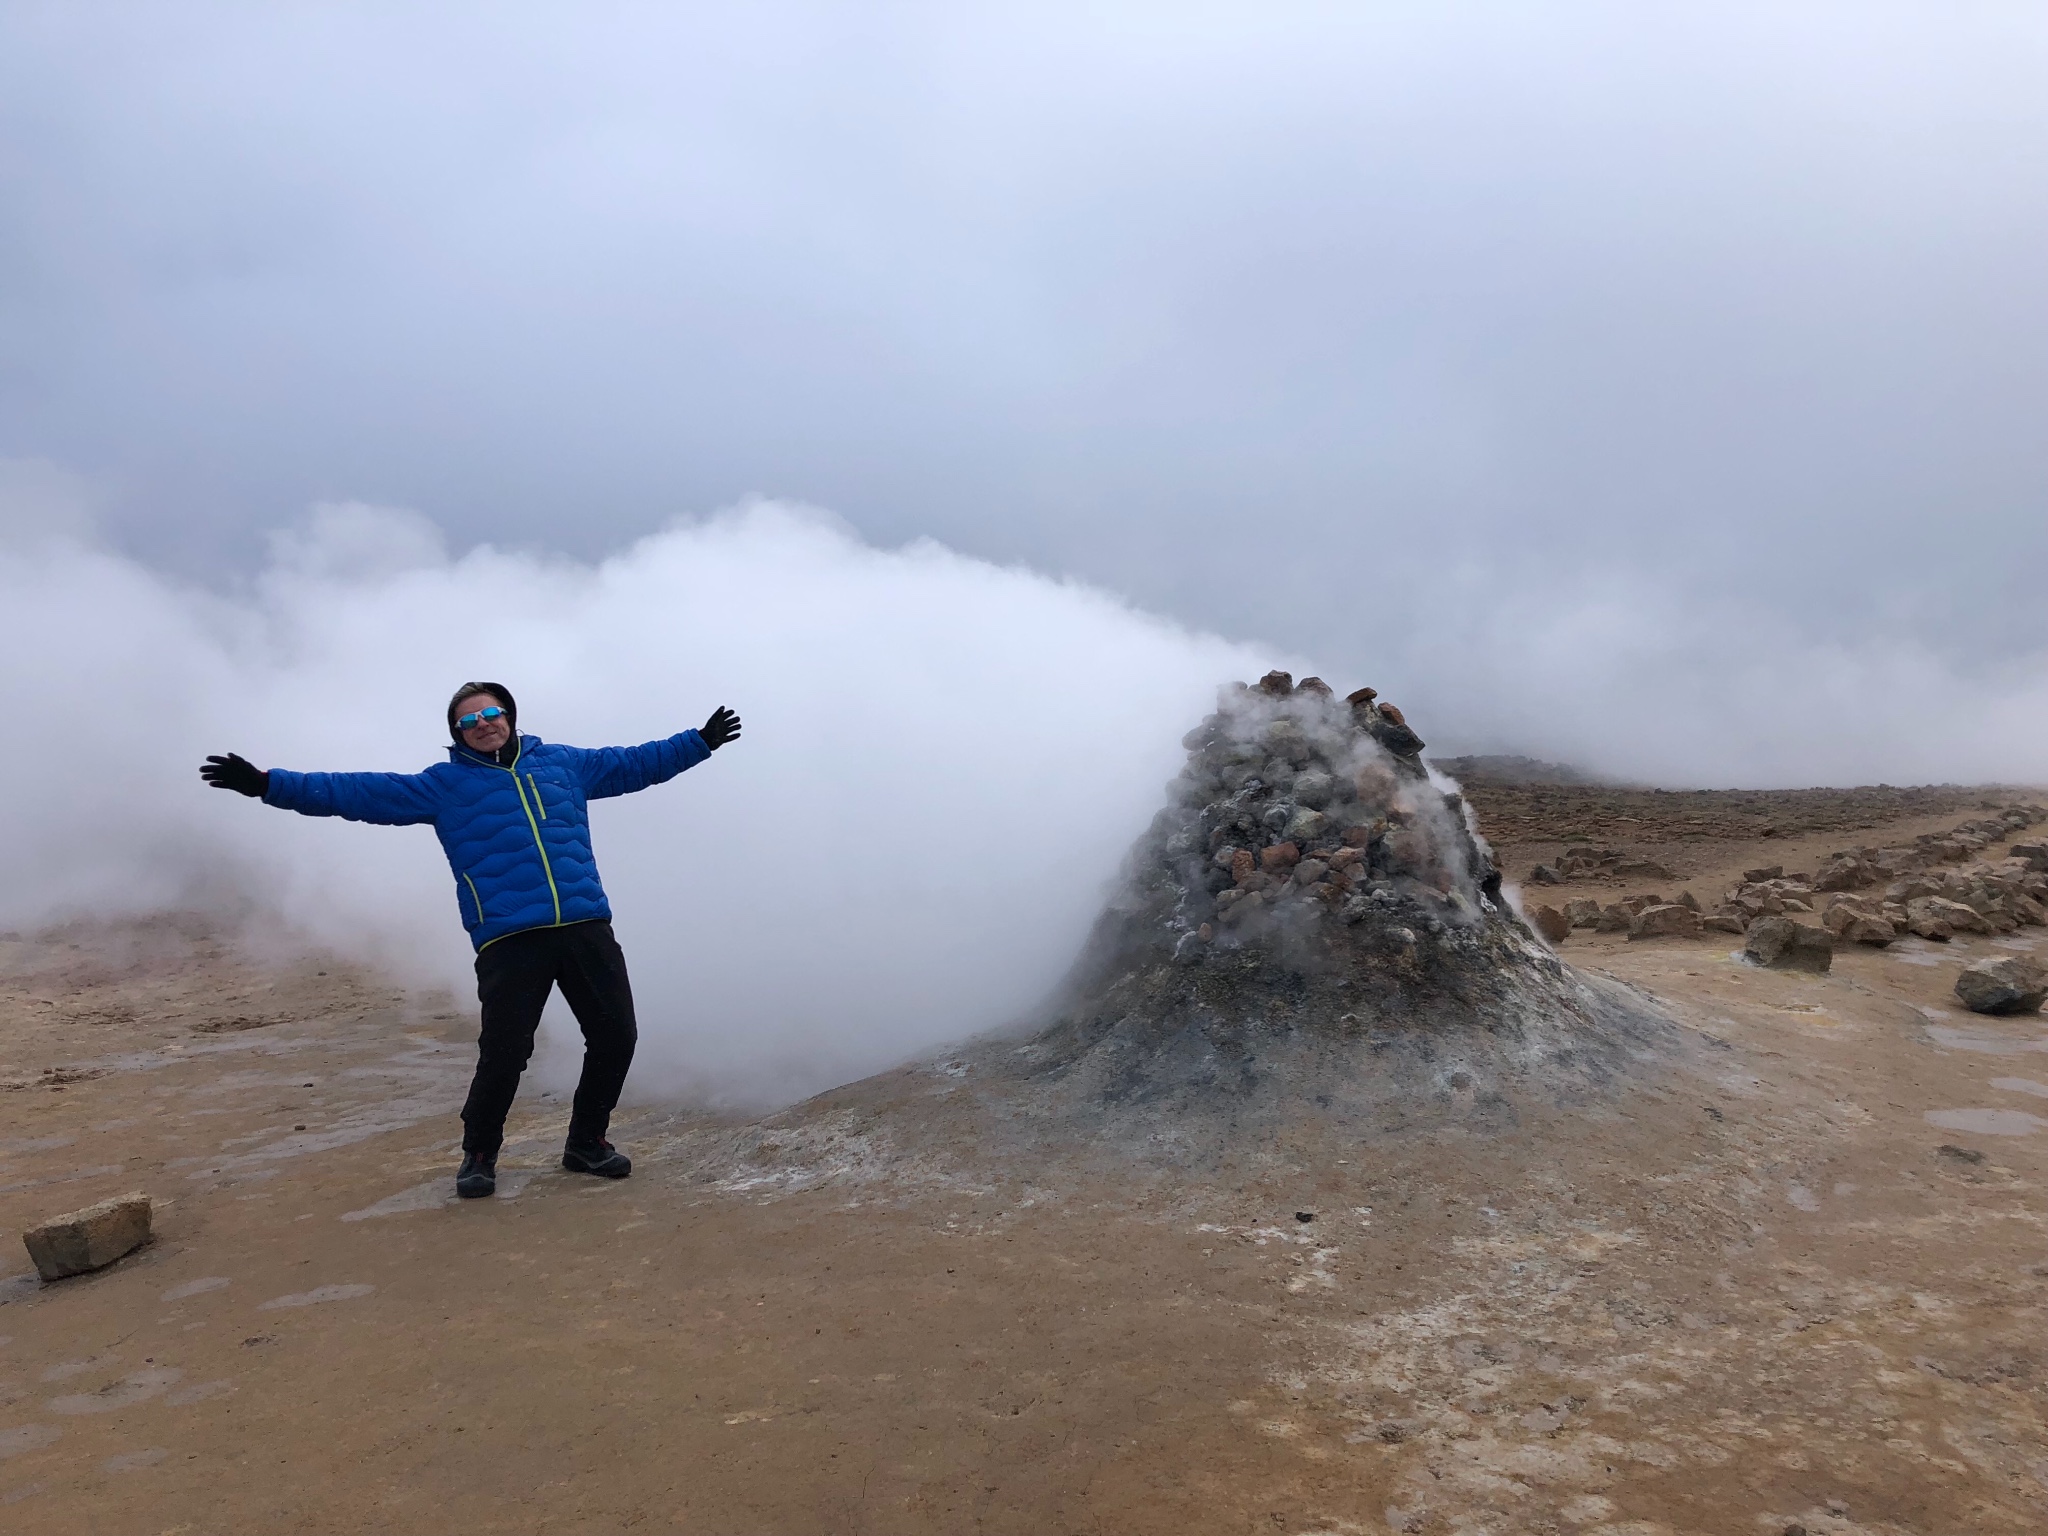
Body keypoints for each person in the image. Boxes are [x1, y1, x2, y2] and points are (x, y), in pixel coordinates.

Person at [199, 682, 741, 1199]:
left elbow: (636, 763)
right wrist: (268, 783)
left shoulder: (565, 764)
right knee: (506, 1053)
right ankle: (479, 1155)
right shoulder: (443, 785)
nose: (483, 725)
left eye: (491, 714)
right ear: (457, 733)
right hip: (509, 938)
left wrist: (700, 741)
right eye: (469, 721)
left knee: (616, 1037)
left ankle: (586, 1143)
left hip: (583, 925)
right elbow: (358, 791)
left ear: (509, 716)